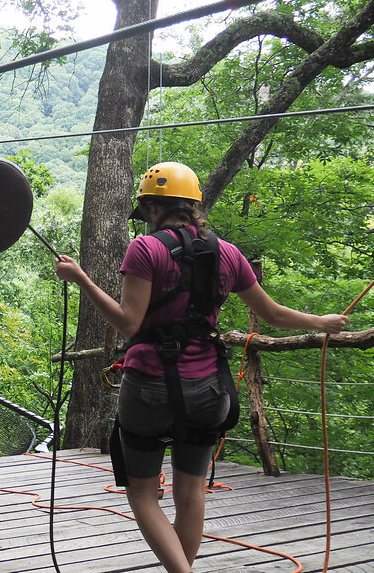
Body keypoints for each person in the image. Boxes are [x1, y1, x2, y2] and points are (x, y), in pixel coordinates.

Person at [53, 161, 349, 573]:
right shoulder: (227, 252)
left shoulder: (147, 249)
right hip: (209, 386)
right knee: (190, 492)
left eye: (147, 213)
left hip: (150, 385)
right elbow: (273, 314)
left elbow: (128, 323)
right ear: (192, 205)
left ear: (154, 208)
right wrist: (323, 322)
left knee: (142, 493)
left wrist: (81, 278)